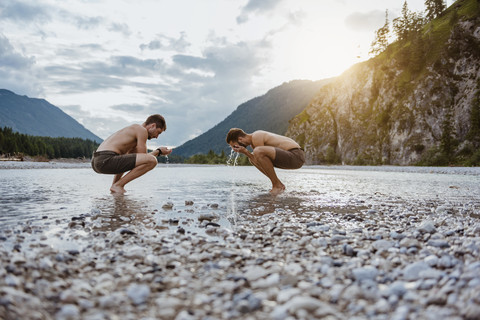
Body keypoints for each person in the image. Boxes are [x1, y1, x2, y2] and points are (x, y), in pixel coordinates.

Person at [91, 114, 172, 193]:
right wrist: (159, 151)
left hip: (97, 161)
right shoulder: (142, 130)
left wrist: (115, 184)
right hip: (105, 159)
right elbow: (145, 158)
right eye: (158, 132)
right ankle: (118, 185)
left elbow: (125, 160)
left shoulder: (132, 133)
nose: (157, 136)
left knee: (130, 159)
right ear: (153, 126)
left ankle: (116, 186)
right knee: (153, 161)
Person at [226, 128, 305, 195]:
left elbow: (259, 155)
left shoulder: (256, 136)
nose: (234, 149)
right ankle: (278, 184)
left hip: (296, 155)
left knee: (257, 151)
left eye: (234, 146)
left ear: (240, 139)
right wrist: (247, 154)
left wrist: (246, 152)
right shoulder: (253, 144)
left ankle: (277, 185)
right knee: (252, 157)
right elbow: (259, 161)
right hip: (289, 158)